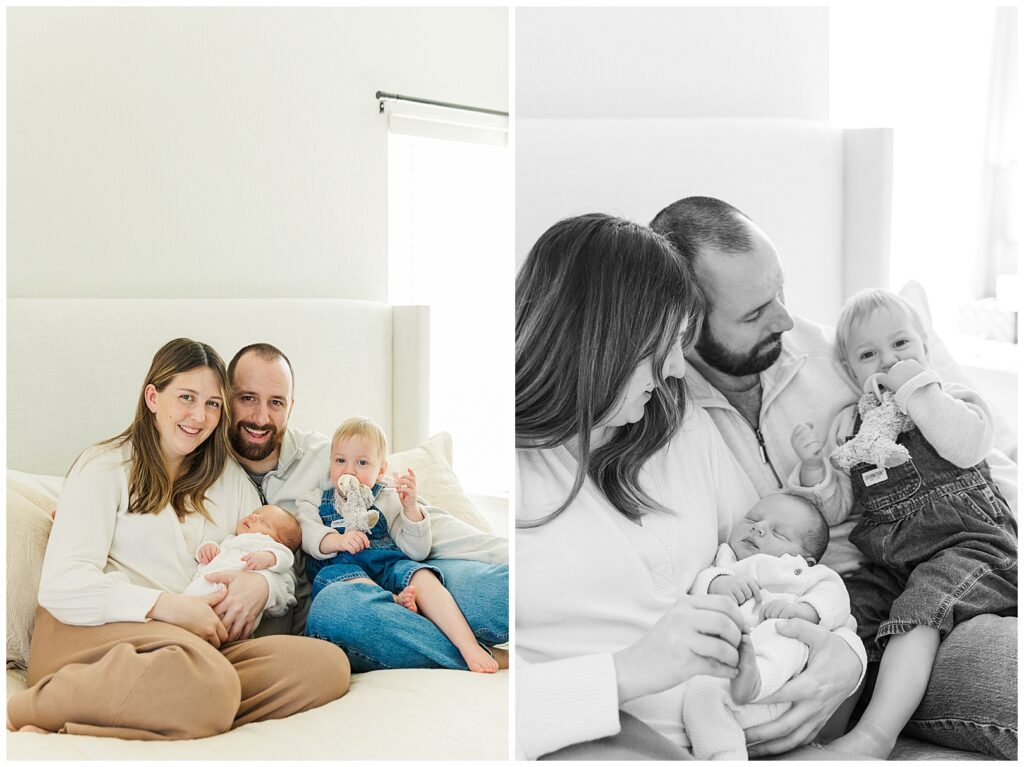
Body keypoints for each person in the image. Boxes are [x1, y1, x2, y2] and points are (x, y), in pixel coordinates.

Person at [651, 195, 1018, 759]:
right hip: (829, 615)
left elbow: (979, 458)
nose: (784, 320)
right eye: (754, 313)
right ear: (683, 328)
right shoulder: (656, 413)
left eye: (781, 292)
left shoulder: (844, 354)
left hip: (944, 578)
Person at [514, 213, 867, 760]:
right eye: (664, 344)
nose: (678, 369)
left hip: (743, 724)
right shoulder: (514, 474)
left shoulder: (680, 426)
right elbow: (492, 708)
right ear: (603, 343)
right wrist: (627, 672)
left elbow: (783, 561)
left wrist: (846, 657)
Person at [6, 338, 349, 739]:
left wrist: (262, 585)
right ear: (153, 397)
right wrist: (168, 607)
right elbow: (62, 587)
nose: (198, 416)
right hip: (93, 636)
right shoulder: (105, 466)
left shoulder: (231, 482)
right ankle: (32, 708)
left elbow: (272, 556)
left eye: (212, 404)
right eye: (187, 397)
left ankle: (181, 702)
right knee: (207, 679)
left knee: (325, 665)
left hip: (191, 649)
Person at [786, 288, 1017, 758]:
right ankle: (821, 738)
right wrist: (814, 471)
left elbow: (965, 446)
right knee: (846, 610)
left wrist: (917, 389)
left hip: (971, 545)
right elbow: (839, 509)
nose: (888, 360)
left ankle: (874, 737)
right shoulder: (850, 426)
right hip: (893, 561)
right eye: (868, 354)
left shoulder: (951, 398)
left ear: (925, 347)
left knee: (920, 609)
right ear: (850, 370)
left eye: (901, 344)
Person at [227, 343, 509, 671]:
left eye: (275, 402)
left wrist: (502, 551)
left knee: (496, 585)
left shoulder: (329, 455)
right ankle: (474, 652)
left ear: (290, 407)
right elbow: (309, 537)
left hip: (397, 569)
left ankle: (448, 636)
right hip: (343, 600)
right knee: (340, 607)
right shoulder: (210, 476)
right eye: (248, 398)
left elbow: (421, 527)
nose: (261, 417)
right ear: (227, 398)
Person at [294, 416, 499, 673]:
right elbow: (308, 534)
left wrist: (411, 510)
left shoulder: (388, 498)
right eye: (340, 460)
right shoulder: (314, 500)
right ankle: (393, 602)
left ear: (381, 470)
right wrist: (338, 540)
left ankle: (468, 645)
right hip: (345, 574)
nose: (350, 470)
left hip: (388, 567)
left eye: (362, 462)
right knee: (346, 584)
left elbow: (417, 551)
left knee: (422, 575)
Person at [684, 492, 851, 760]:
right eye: (752, 519)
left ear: (805, 559)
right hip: (733, 668)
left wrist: (801, 612)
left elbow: (836, 599)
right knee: (703, 692)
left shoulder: (805, 573)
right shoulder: (725, 560)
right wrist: (719, 584)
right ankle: (724, 755)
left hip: (783, 659)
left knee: (785, 634)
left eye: (778, 533)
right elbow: (701, 583)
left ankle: (756, 680)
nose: (758, 527)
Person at [184, 504, 302, 637]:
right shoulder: (231, 539)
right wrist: (208, 548)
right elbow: (218, 553)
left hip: (234, 596)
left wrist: (269, 557)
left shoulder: (269, 545)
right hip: (209, 582)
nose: (253, 517)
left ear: (278, 541)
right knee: (192, 603)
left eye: (264, 522)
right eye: (254, 513)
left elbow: (286, 558)